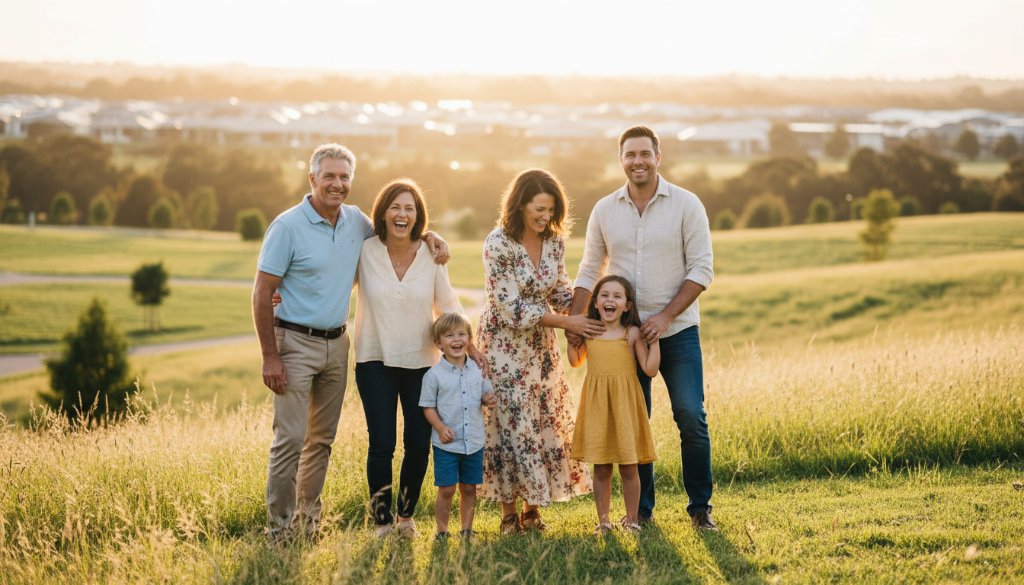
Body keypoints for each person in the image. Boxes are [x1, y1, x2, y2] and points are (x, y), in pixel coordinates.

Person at [252, 144, 448, 543]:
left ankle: (307, 526)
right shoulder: (287, 226)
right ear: (312, 179)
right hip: (293, 342)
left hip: (338, 345)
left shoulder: (356, 223)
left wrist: (431, 236)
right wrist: (270, 355)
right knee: (289, 440)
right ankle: (279, 530)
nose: (337, 184)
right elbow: (261, 291)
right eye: (329, 176)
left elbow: (401, 226)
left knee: (321, 441)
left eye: (344, 177)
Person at [570, 126, 717, 530]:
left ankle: (700, 507)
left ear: (658, 157)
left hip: (678, 331)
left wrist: (665, 316)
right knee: (635, 423)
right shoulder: (605, 209)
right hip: (624, 337)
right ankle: (642, 512)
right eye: (630, 154)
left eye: (644, 154)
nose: (637, 161)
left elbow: (702, 269)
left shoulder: (687, 205)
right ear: (621, 159)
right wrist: (577, 320)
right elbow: (589, 268)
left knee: (690, 415)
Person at [478, 168, 602, 534]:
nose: (546, 217)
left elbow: (560, 290)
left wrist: (591, 309)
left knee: (541, 419)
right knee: (509, 423)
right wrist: (568, 324)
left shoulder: (554, 241)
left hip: (541, 347)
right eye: (539, 209)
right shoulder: (498, 243)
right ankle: (507, 514)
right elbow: (510, 308)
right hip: (503, 344)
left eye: (551, 210)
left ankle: (533, 510)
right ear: (519, 204)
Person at [352, 179, 467, 538]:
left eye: (410, 209)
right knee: (382, 443)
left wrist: (471, 347)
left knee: (418, 444)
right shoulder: (364, 250)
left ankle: (405, 517)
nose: (402, 214)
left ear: (418, 217)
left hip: (422, 364)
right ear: (383, 213)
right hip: (374, 360)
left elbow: (447, 306)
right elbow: (328, 280)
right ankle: (382, 521)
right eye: (396, 207)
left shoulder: (432, 255)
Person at [568, 275, 658, 534]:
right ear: (595, 303)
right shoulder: (591, 331)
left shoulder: (631, 334)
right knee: (602, 466)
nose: (610, 300)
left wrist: (656, 342)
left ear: (627, 306)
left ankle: (632, 520)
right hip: (598, 406)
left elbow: (650, 369)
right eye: (604, 295)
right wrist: (570, 340)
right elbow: (576, 361)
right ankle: (604, 521)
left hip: (624, 406)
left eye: (617, 296)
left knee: (630, 466)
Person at [419, 313, 497, 541]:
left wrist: (489, 399)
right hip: (447, 444)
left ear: (469, 339)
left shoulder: (476, 369)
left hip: (473, 441)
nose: (456, 339)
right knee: (446, 489)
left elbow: (486, 393)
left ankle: (467, 530)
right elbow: (428, 407)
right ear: (438, 343)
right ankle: (442, 532)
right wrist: (440, 428)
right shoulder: (433, 375)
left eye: (462, 334)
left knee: (469, 488)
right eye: (449, 335)